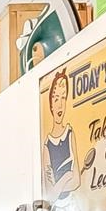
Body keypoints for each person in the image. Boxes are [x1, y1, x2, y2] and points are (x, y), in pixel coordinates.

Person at [42, 68, 77, 199]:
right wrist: (67, 176)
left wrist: (56, 186)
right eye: (56, 99)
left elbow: (77, 180)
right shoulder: (47, 145)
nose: (60, 105)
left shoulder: (70, 134)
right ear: (50, 104)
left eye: (64, 97)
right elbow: (49, 193)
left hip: (73, 207)